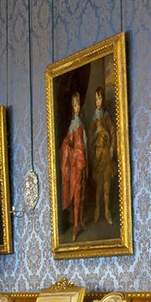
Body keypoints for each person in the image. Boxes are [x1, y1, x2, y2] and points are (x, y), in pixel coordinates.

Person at [59, 89, 88, 238]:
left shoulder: (81, 124)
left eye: (78, 104)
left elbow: (85, 143)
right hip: (75, 162)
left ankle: (81, 219)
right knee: (76, 192)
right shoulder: (72, 126)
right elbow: (66, 143)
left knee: (82, 192)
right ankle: (75, 224)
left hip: (82, 161)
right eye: (74, 105)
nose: (77, 107)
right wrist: (69, 147)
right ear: (72, 107)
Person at [88, 85, 116, 226]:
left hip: (106, 155)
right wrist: (96, 131)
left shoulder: (106, 117)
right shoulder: (94, 120)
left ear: (103, 99)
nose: (98, 101)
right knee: (99, 185)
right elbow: (90, 140)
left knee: (106, 185)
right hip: (98, 156)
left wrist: (112, 148)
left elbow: (113, 132)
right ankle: (97, 209)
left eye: (100, 98)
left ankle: (106, 210)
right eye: (96, 99)